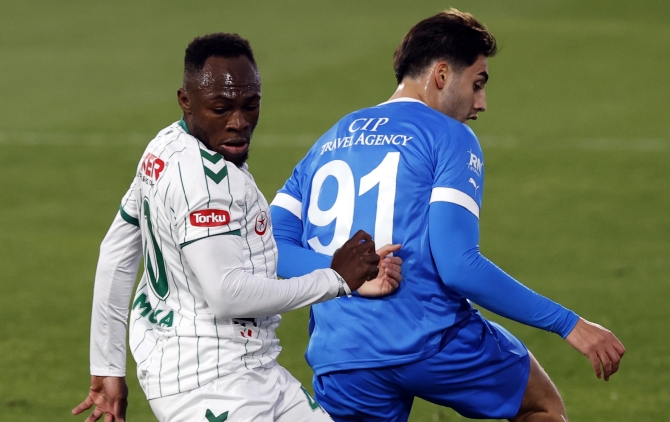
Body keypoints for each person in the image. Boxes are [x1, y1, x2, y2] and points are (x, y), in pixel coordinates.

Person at [269, 9, 625, 422]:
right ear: (441, 75)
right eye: (477, 83)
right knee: (540, 407)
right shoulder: (450, 136)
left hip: (343, 354)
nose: (481, 103)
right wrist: (569, 324)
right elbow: (458, 266)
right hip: (432, 340)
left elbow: (272, 245)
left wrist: (348, 275)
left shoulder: (329, 140)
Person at [72, 33, 402, 422]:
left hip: (249, 367)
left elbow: (116, 252)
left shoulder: (164, 148)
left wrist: (107, 366)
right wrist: (335, 278)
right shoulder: (206, 184)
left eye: (251, 105)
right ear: (185, 101)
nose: (239, 123)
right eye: (221, 108)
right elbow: (228, 294)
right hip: (208, 383)